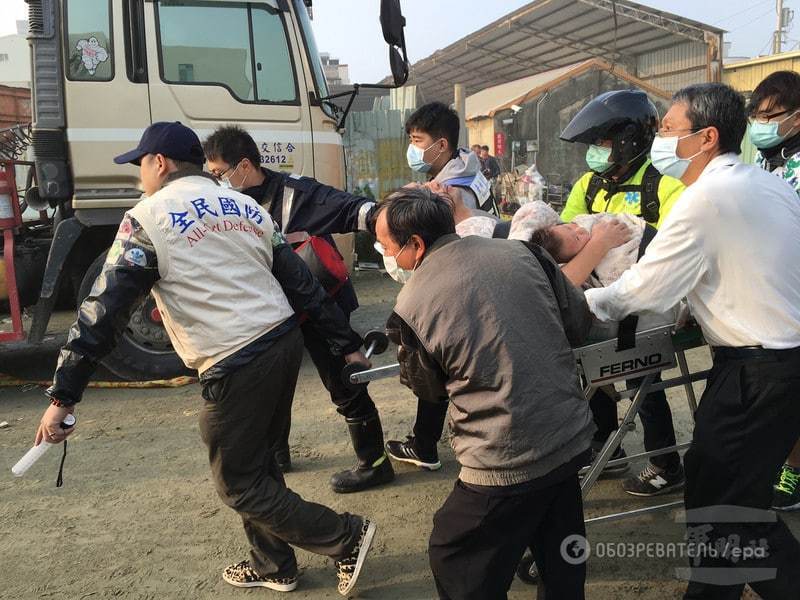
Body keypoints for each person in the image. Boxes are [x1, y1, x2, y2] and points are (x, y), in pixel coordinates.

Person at [34, 122, 377, 596]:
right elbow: (303, 285)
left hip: (235, 358)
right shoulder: (246, 207)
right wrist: (346, 343)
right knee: (255, 463)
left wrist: (63, 394)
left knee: (238, 481)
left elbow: (101, 312)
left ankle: (345, 535)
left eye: (141, 166)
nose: (140, 178)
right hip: (281, 342)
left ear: (159, 163)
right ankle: (274, 563)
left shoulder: (147, 218)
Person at [586, 83, 800, 599]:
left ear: (705, 137)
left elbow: (643, 288)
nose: (659, 139)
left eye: (666, 130)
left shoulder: (704, 199)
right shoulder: (767, 183)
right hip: (776, 365)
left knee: (722, 508)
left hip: (757, 371)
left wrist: (577, 303)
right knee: (728, 498)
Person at [374, 187, 594, 600]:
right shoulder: (522, 253)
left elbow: (429, 390)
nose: (387, 256)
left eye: (386, 247)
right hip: (568, 436)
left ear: (416, 244)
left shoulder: (411, 303)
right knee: (559, 549)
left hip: (506, 455)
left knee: (453, 551)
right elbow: (578, 321)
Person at [203, 125, 394, 494]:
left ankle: (375, 464)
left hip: (321, 304)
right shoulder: (223, 204)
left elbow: (354, 209)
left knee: (344, 380)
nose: (216, 181)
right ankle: (277, 454)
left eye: (218, 173)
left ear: (243, 166)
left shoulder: (298, 194)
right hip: (271, 311)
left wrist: (388, 217)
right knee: (272, 384)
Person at [560, 89, 687, 497]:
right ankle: (606, 446)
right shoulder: (589, 183)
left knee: (641, 381)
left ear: (631, 140)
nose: (595, 153)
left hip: (641, 306)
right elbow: (564, 234)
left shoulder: (664, 186)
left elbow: (673, 251)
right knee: (589, 368)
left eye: (602, 143)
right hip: (595, 302)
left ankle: (667, 462)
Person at [747, 70, 800, 512]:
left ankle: (794, 471)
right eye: (755, 116)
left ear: (797, 118)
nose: (760, 124)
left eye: (771, 116)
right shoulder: (768, 162)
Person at [404, 102, 491, 211]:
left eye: (417, 140)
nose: (411, 147)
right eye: (410, 140)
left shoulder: (450, 197)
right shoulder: (469, 171)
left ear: (441, 145)